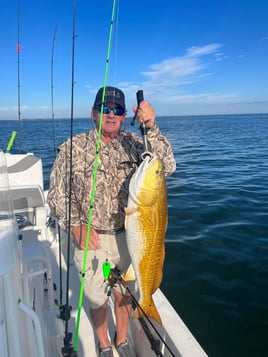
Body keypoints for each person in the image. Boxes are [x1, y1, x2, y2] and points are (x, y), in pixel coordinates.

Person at [47, 86, 176, 357]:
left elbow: (166, 165)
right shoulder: (73, 148)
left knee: (124, 294)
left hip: (129, 236)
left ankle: (122, 339)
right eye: (105, 108)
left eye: (117, 110)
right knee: (96, 299)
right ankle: (104, 343)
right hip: (90, 238)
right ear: (94, 113)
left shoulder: (135, 143)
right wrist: (74, 225)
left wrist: (151, 127)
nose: (111, 114)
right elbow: (57, 195)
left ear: (125, 114)